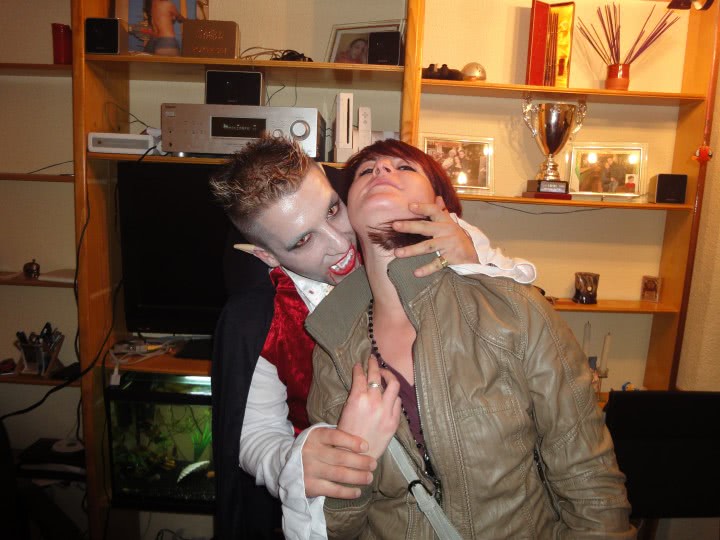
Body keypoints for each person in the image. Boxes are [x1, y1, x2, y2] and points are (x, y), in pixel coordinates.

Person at [209, 135, 537, 539]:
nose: (340, 244)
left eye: (333, 210)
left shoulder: (412, 227)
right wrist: (293, 462)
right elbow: (255, 435)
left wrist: (470, 261)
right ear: (267, 256)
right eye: (304, 240)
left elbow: (528, 316)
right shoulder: (259, 323)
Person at [306, 139, 634, 538]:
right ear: (345, 214)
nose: (382, 171)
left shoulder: (514, 310)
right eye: (365, 171)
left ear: (441, 205)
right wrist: (350, 464)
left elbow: (590, 480)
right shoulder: (333, 348)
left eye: (403, 167)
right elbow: (335, 528)